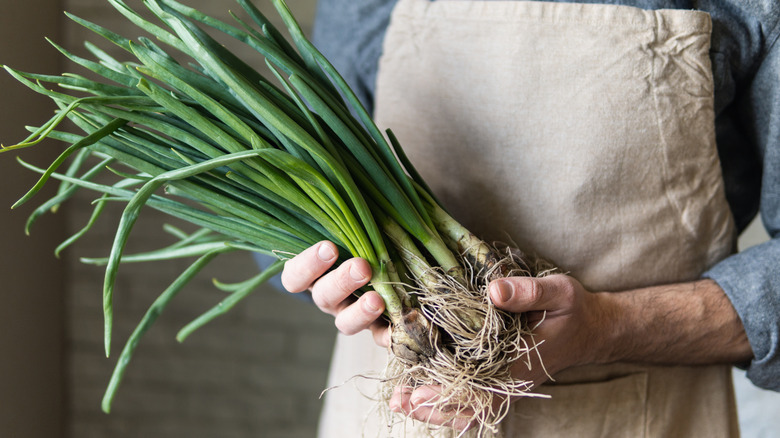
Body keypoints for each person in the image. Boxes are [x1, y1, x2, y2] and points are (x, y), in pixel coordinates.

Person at [282, 0, 780, 436]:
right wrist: (334, 278)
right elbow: (300, 178)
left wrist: (607, 328)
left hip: (642, 415)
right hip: (401, 405)